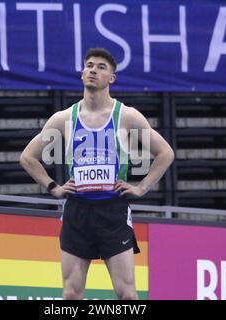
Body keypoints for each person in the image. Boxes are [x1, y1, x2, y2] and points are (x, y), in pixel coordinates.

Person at [20, 47, 174, 300]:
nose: (93, 70)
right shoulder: (63, 119)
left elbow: (165, 153)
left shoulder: (126, 116)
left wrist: (141, 187)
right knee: (71, 294)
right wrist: (53, 187)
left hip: (112, 213)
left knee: (127, 294)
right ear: (82, 74)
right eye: (89, 65)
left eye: (101, 67)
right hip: (76, 212)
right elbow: (28, 157)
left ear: (111, 78)